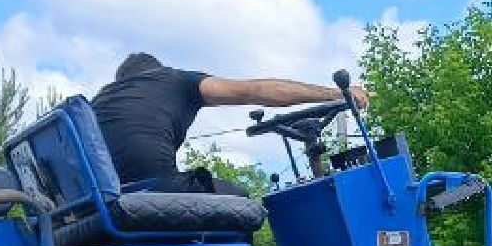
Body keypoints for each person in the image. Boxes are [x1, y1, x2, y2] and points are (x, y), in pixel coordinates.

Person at [90, 52, 369, 185]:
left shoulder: (98, 101)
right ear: (158, 71)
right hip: (153, 189)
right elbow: (254, 90)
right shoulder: (174, 80)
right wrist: (336, 94)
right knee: (240, 201)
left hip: (104, 198)